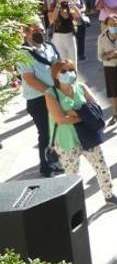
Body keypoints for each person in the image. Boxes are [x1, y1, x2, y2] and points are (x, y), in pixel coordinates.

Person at [44, 59, 117, 207]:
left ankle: (109, 195)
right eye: (63, 71)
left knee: (102, 167)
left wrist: (75, 112)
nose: (68, 73)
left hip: (88, 137)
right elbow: (61, 119)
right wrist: (84, 114)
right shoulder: (51, 94)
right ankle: (74, 205)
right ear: (55, 75)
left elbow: (96, 109)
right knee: (72, 176)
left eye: (71, 70)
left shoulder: (81, 87)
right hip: (67, 141)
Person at [18, 20, 63, 177]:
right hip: (38, 99)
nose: (40, 32)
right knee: (45, 132)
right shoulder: (24, 53)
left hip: (56, 94)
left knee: (57, 130)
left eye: (41, 29)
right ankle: (46, 166)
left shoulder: (49, 47)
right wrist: (49, 91)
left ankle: (55, 160)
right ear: (27, 33)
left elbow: (58, 67)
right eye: (35, 30)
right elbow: (30, 79)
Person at [48, 0, 82, 72]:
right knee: (62, 63)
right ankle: (63, 82)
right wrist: (58, 4)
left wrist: (70, 1)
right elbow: (52, 19)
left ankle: (74, 81)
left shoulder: (69, 7)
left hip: (70, 37)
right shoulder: (53, 8)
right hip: (58, 38)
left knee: (73, 62)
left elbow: (78, 16)